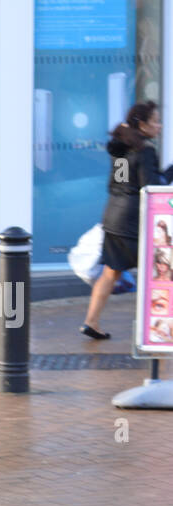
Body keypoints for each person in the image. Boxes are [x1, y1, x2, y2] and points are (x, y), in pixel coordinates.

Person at [83, 101, 173, 339]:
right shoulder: (145, 151)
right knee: (158, 272)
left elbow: (120, 183)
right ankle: (154, 330)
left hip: (113, 217)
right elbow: (152, 187)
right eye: (155, 121)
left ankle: (91, 322)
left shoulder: (121, 148)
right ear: (142, 125)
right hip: (133, 222)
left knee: (110, 273)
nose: (160, 126)